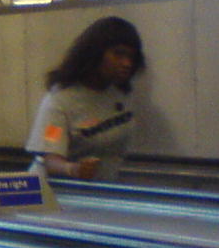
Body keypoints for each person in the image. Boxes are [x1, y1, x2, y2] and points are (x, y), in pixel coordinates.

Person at [26, 15, 145, 182]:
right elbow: (50, 158)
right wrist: (73, 169)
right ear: (95, 53)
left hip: (99, 190)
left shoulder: (119, 93)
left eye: (131, 57)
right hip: (57, 193)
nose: (127, 63)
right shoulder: (60, 101)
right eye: (118, 54)